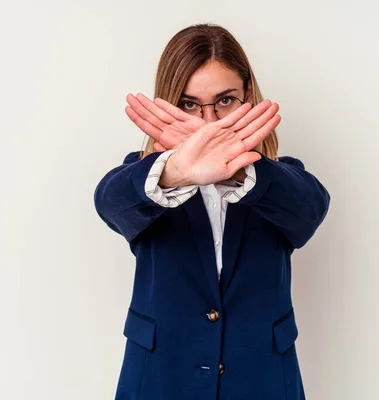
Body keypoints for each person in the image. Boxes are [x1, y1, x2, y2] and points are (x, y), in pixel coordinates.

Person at [94, 23, 330, 400]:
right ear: (168, 104)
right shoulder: (149, 182)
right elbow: (108, 201)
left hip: (262, 381)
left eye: (224, 100)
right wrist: (177, 171)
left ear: (247, 97)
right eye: (189, 104)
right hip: (161, 380)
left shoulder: (279, 181)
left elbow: (311, 209)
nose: (209, 122)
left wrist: (237, 166)